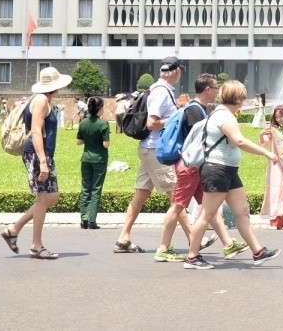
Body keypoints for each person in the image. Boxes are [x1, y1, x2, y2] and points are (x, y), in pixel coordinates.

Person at [183, 80, 281, 270]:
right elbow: (239, 141)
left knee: (242, 211)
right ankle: (192, 257)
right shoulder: (223, 116)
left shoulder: (224, 114)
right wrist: (266, 153)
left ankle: (258, 252)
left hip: (228, 170)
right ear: (237, 98)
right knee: (207, 214)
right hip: (217, 170)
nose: (244, 100)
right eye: (243, 96)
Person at [154, 74, 248, 262]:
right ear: (207, 89)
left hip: (196, 167)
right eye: (215, 88)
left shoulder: (199, 109)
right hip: (190, 167)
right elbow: (200, 142)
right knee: (178, 206)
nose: (217, 91)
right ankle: (163, 248)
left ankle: (228, 243)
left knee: (208, 208)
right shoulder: (195, 111)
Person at [1, 66, 73, 259]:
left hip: (40, 153)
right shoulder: (41, 100)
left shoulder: (41, 99)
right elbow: (35, 131)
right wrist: (42, 161)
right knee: (44, 199)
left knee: (51, 197)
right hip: (37, 153)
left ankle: (13, 230)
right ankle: (36, 245)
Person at [114, 56, 183, 254]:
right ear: (177, 71)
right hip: (156, 150)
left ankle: (123, 238)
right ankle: (195, 238)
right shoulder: (161, 92)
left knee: (141, 194)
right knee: (176, 196)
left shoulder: (159, 89)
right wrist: (177, 118)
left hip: (149, 148)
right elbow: (152, 123)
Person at [76, 96, 110, 230]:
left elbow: (78, 142)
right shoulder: (103, 124)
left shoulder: (83, 122)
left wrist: (89, 139)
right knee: (96, 189)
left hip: (86, 158)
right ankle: (92, 220)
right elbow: (106, 144)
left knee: (85, 188)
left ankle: (83, 219)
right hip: (99, 159)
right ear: (100, 108)